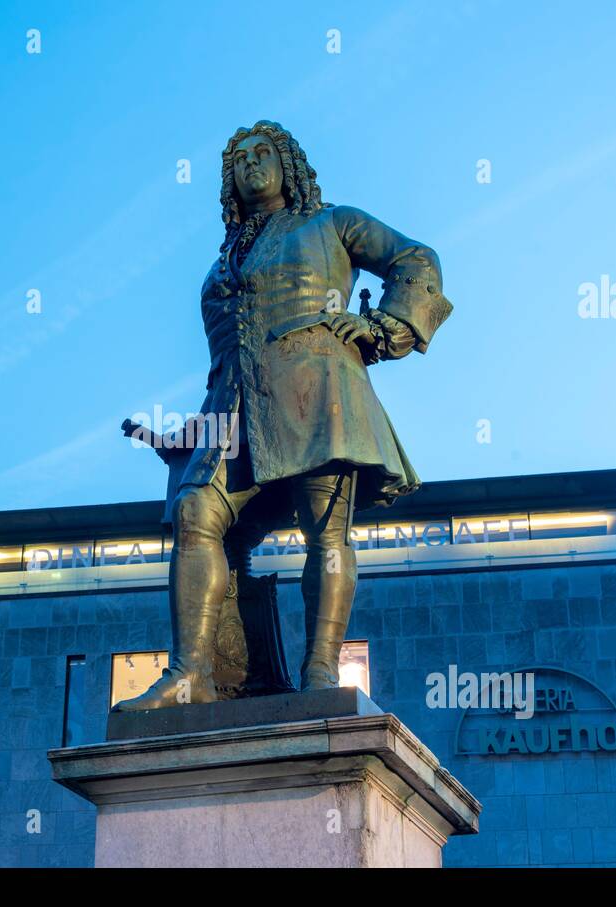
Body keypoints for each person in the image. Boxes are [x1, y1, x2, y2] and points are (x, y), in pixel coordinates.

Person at [114, 121, 452, 712]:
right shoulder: (223, 260)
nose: (249, 164)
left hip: (319, 392)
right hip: (232, 415)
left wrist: (386, 326)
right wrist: (184, 437)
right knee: (197, 512)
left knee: (326, 531)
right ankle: (195, 673)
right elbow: (228, 360)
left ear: (288, 163)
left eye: (262, 153)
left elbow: (416, 258)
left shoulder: (332, 223)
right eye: (238, 158)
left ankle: (320, 670)